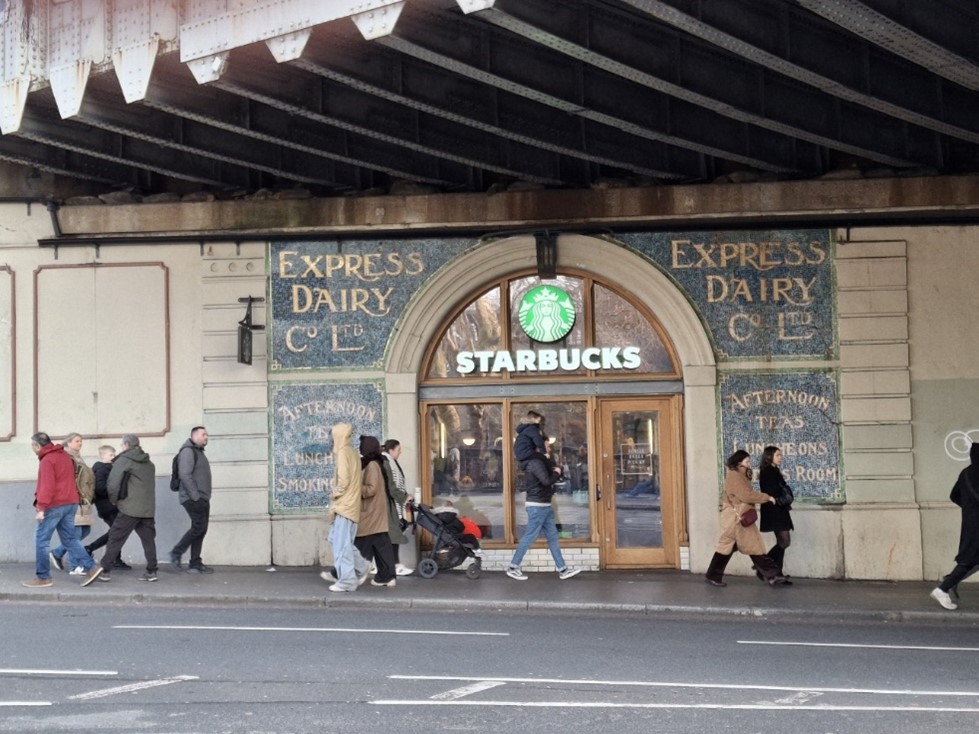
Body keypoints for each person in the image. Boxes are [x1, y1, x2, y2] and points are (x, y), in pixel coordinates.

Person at [22, 432, 102, 588]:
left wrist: (41, 508)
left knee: (41, 540)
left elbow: (47, 486)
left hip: (55, 505)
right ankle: (91, 568)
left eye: (33, 446)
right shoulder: (64, 456)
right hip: (71, 503)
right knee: (70, 539)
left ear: (37, 446)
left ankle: (43, 577)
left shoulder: (47, 460)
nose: (33, 449)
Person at [705, 450, 790, 588]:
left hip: (738, 518)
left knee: (729, 547)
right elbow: (746, 495)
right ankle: (773, 575)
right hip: (737, 519)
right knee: (753, 547)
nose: (749, 464)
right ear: (739, 462)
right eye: (747, 461)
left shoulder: (739, 475)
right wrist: (767, 497)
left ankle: (712, 575)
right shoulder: (735, 476)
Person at [506, 443, 581, 581]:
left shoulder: (541, 462)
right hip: (537, 506)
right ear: (539, 448)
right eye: (547, 446)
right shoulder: (535, 463)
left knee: (552, 537)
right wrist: (557, 472)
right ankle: (513, 567)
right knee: (529, 537)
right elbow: (546, 481)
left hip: (544, 505)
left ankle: (563, 569)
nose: (550, 448)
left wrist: (554, 470)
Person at [97, 434, 158, 583]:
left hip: (129, 508)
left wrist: (114, 501)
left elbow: (112, 483)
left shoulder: (124, 460)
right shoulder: (149, 463)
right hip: (147, 509)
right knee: (148, 540)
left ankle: (104, 570)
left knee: (116, 538)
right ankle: (152, 571)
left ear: (125, 445)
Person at [930, 442, 979, 610]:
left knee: (972, 558)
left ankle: (950, 580)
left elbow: (954, 495)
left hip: (971, 522)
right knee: (968, 560)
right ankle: (943, 588)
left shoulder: (965, 473)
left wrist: (969, 508)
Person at [322, 423, 369, 592]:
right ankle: (362, 567)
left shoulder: (343, 453)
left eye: (332, 436)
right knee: (339, 540)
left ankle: (347, 581)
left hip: (344, 506)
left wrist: (334, 493)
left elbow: (343, 480)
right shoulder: (353, 452)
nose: (330, 440)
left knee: (340, 544)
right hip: (351, 506)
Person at [49, 432, 96, 574]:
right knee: (75, 534)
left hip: (84, 501)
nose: (80, 443)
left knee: (85, 530)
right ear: (68, 443)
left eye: (80, 441)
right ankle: (75, 566)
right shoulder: (67, 458)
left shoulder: (78, 458)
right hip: (73, 499)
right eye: (77, 441)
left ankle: (57, 553)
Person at [169, 426, 213, 574]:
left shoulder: (198, 452)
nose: (206, 437)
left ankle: (195, 563)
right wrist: (195, 496)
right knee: (199, 527)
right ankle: (177, 552)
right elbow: (185, 475)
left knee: (201, 529)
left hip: (201, 497)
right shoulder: (188, 451)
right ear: (194, 436)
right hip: (193, 497)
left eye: (206, 434)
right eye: (203, 434)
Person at [355, 435, 398, 588]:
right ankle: (385, 576)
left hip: (371, 513)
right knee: (381, 546)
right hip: (376, 513)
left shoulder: (372, 465)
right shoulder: (376, 463)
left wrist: (355, 489)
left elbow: (371, 489)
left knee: (359, 545)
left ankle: (355, 574)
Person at [85, 444, 131, 569]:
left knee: (116, 532)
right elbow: (100, 488)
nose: (113, 457)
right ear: (103, 455)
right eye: (111, 455)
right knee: (117, 532)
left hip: (111, 505)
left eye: (114, 454)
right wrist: (116, 489)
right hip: (107, 506)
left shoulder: (109, 468)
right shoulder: (101, 468)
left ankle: (114, 558)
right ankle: (91, 549)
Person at [758, 446, 794, 578]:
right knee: (784, 541)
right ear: (769, 456)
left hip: (779, 509)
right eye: (778, 455)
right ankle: (766, 566)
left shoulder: (774, 470)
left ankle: (774, 571)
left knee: (782, 542)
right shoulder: (767, 471)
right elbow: (770, 491)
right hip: (774, 510)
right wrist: (782, 492)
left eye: (780, 455)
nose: (780, 457)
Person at [382, 439, 412, 576]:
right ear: (391, 450)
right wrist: (404, 497)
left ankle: (392, 564)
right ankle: (394, 564)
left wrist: (405, 495)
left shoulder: (390, 462)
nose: (400, 452)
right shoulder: (387, 462)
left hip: (394, 505)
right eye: (398, 449)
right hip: (391, 506)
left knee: (393, 535)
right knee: (393, 535)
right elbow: (391, 487)